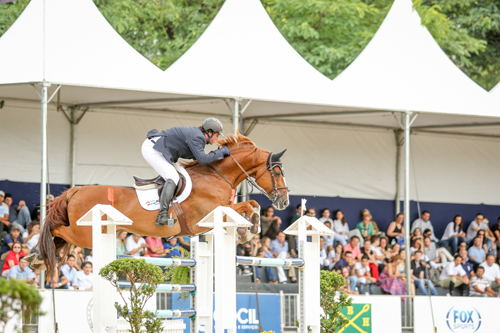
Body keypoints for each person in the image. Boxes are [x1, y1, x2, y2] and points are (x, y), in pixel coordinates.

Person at [143, 118, 229, 227]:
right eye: (217, 135)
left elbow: (198, 159)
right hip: (153, 149)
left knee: (179, 173)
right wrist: (220, 152)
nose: (217, 139)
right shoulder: (198, 137)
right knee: (173, 177)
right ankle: (162, 215)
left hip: (159, 149)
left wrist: (217, 154)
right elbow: (202, 159)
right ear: (210, 132)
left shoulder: (198, 136)